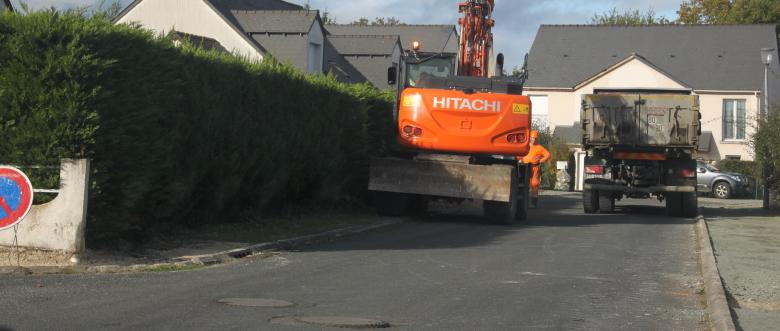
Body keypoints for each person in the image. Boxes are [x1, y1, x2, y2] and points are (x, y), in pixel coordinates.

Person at [518, 130, 551, 208]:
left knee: (534, 185)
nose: (534, 140)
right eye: (533, 138)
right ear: (530, 138)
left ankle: (534, 203)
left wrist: (541, 160)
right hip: (524, 167)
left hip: (534, 168)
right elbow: (519, 155)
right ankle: (522, 202)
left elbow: (548, 155)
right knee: (523, 184)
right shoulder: (525, 146)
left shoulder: (539, 148)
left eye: (536, 138)